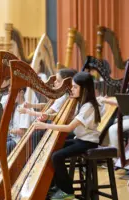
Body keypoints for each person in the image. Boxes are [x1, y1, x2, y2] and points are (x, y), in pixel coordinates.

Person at [34, 72, 102, 200]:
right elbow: (67, 118)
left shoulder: (89, 106)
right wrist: (47, 116)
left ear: (84, 89)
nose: (72, 89)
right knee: (51, 149)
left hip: (88, 142)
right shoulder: (80, 102)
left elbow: (69, 127)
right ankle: (56, 185)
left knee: (57, 156)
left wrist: (46, 126)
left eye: (75, 87)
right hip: (80, 139)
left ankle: (67, 191)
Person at [18, 69, 77, 150]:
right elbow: (48, 106)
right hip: (57, 123)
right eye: (55, 80)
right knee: (35, 134)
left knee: (36, 135)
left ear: (66, 83)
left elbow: (46, 114)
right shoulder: (62, 95)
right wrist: (31, 105)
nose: (54, 82)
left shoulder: (64, 96)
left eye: (58, 81)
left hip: (62, 128)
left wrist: (27, 111)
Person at [99, 72, 129, 155]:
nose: (125, 76)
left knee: (113, 129)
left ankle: (116, 157)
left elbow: (125, 103)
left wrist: (106, 100)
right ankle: (107, 152)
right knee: (108, 123)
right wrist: (109, 99)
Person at [0, 88, 31, 175]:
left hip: (19, 142)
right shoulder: (15, 106)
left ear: (22, 93)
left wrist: (9, 130)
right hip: (12, 138)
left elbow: (23, 132)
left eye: (11, 92)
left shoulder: (25, 108)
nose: (10, 95)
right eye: (9, 92)